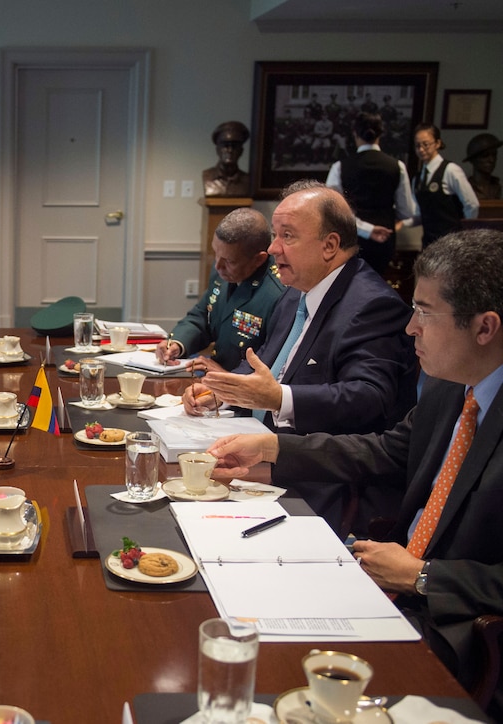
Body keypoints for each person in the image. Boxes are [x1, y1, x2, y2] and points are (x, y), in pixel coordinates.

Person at [206, 230, 503, 718]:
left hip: (450, 631)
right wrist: (275, 446)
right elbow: (385, 450)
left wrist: (426, 576)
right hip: (381, 584)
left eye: (425, 312)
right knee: (231, 616)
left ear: (485, 327)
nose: (411, 329)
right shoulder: (454, 389)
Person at [183, 181, 417, 532]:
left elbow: (369, 397)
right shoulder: (296, 293)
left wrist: (280, 398)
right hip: (260, 456)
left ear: (330, 245)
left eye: (287, 236)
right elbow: (264, 360)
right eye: (275, 235)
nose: (274, 248)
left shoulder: (372, 305)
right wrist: (221, 388)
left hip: (322, 484)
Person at [155, 208, 284, 370]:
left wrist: (224, 376)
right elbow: (202, 316)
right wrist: (177, 343)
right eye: (216, 253)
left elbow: (273, 366)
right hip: (213, 377)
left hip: (240, 386)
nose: (218, 266)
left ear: (259, 259)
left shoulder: (277, 295)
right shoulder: (223, 270)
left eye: (230, 261)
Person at [325, 112, 416, 277]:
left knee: (348, 289)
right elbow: (407, 211)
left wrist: (366, 229)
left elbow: (333, 211)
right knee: (378, 289)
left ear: (355, 133)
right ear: (381, 133)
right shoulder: (397, 166)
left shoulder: (340, 167)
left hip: (350, 241)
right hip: (384, 240)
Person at [407, 124, 479, 248]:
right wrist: (398, 223)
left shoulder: (451, 170)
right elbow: (419, 214)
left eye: (426, 144)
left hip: (452, 242)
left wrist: (467, 235)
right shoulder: (417, 178)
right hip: (429, 242)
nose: (421, 149)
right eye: (417, 145)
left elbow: (472, 204)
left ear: (437, 143)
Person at [202, 121, 251, 197]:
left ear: (241, 151)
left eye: (234, 146)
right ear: (217, 150)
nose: (230, 150)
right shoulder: (208, 176)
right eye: (225, 146)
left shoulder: (248, 180)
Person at [465, 132, 502, 201]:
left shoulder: (496, 186)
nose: (491, 160)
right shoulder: (465, 187)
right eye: (485, 156)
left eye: (494, 155)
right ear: (472, 160)